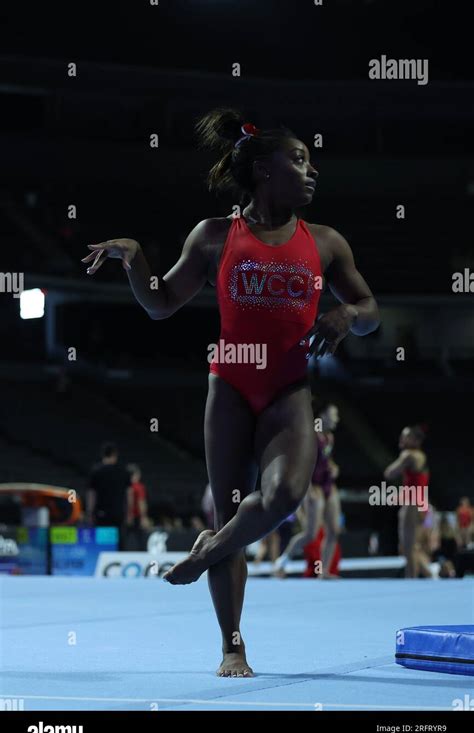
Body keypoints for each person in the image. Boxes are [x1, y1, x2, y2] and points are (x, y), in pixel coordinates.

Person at [81, 107, 380, 677]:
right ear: (265, 170)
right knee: (233, 508)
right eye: (299, 160)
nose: (313, 171)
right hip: (232, 387)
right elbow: (160, 303)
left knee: (286, 495)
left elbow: (371, 312)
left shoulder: (327, 242)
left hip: (290, 391)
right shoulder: (217, 236)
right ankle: (232, 646)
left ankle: (206, 553)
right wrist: (135, 257)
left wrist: (345, 317)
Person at [273, 403, 341, 578]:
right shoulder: (310, 435)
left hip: (328, 485)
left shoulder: (330, 437)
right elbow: (302, 464)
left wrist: (334, 468)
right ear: (322, 415)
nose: (336, 419)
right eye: (333, 415)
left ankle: (324, 572)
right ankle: (283, 561)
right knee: (310, 534)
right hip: (313, 485)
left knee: (333, 529)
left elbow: (326, 461)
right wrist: (308, 488)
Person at [384, 425, 429, 578]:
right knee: (411, 547)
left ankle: (412, 581)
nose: (401, 439)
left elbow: (389, 473)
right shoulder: (419, 456)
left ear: (416, 440)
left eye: (405, 436)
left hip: (413, 504)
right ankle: (429, 576)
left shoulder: (409, 455)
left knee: (409, 547)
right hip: (419, 502)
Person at [86, 442, 132, 548]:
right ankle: (118, 561)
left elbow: (91, 494)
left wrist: (89, 513)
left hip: (101, 514)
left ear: (103, 454)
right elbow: (129, 494)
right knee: (119, 542)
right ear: (115, 454)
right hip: (119, 513)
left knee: (103, 543)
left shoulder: (96, 471)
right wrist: (129, 513)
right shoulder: (123, 471)